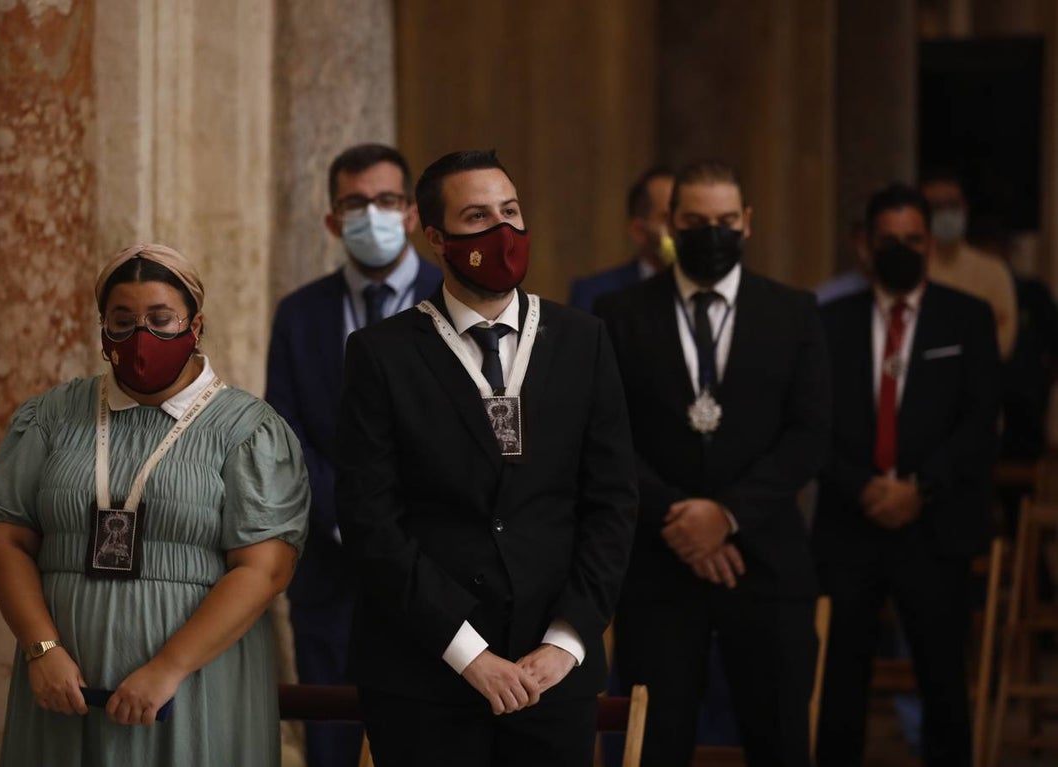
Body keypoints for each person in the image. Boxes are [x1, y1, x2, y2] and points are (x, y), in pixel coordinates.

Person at [335, 149, 638, 767]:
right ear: (436, 236)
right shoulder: (380, 354)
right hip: (425, 672)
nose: (502, 232)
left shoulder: (584, 339)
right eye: (477, 217)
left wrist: (566, 641)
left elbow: (612, 501)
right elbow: (372, 523)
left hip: (552, 672)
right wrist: (468, 653)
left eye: (511, 211)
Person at [0, 244, 309, 766]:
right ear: (102, 328)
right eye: (122, 320)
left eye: (161, 319)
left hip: (194, 683)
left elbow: (264, 569)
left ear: (195, 325)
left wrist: (169, 668)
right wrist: (42, 650)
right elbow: (7, 537)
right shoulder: (50, 415)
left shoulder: (249, 429)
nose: (141, 337)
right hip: (63, 683)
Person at [596, 159, 831, 767]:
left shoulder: (794, 312)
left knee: (779, 739)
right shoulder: (618, 316)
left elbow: (809, 436)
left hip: (769, 566)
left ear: (747, 222)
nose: (713, 232)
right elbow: (606, 438)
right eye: (696, 221)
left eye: (726, 220)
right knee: (656, 745)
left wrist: (725, 516)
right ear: (670, 224)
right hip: (657, 567)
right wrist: (680, 519)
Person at [264, 143, 441, 766]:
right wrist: (347, 519)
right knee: (333, 735)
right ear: (334, 220)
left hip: (435, 564)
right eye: (357, 203)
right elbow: (285, 433)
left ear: (414, 213)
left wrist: (398, 528)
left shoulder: (456, 298)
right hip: (330, 569)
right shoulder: (300, 313)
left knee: (428, 738)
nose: (374, 214)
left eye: (388, 200)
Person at [814, 183, 1000, 767]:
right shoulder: (829, 320)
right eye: (888, 239)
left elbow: (979, 420)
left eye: (913, 240)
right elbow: (809, 420)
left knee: (943, 681)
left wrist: (919, 488)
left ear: (929, 245)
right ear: (866, 245)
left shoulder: (966, 318)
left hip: (934, 524)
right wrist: (863, 486)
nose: (901, 249)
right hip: (851, 524)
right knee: (840, 682)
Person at [920, 169, 1017, 359]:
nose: (946, 213)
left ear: (965, 208)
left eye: (953, 205)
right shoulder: (914, 268)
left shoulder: (993, 271)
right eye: (937, 207)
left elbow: (1004, 335)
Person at [568, 165, 675, 312]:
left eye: (688, 219)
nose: (678, 228)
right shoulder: (595, 294)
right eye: (667, 219)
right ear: (638, 231)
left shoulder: (706, 290)